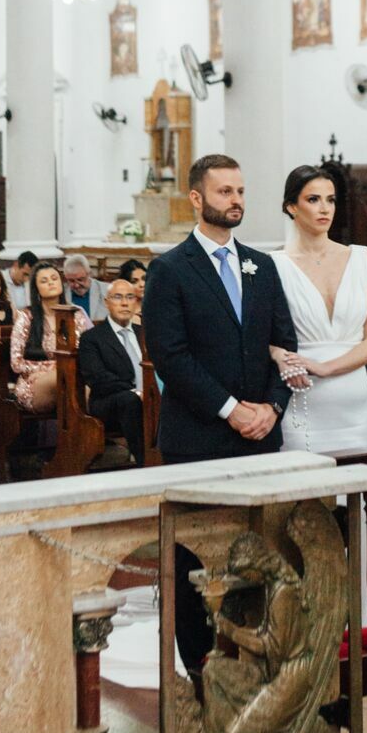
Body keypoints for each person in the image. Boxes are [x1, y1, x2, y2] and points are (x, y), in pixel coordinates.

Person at [142, 153, 298, 675]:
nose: (236, 201)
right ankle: (198, 666)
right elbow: (171, 356)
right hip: (199, 438)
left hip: (261, 436)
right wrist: (232, 410)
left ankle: (254, 654)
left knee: (257, 553)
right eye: (224, 192)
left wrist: (273, 408)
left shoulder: (263, 265)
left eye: (240, 191)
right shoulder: (168, 270)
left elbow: (285, 346)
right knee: (194, 560)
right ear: (196, 198)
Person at [270, 166, 367, 456]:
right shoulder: (273, 264)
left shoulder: (362, 259)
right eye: (313, 200)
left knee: (356, 495)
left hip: (353, 402)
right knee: (304, 494)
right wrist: (280, 358)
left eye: (331, 200)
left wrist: (327, 367)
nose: (325, 209)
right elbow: (262, 334)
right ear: (291, 206)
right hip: (303, 398)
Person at [79, 278, 146, 464]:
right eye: (118, 297)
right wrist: (135, 391)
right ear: (106, 302)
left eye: (130, 297)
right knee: (130, 401)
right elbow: (98, 379)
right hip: (109, 401)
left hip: (149, 397)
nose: (125, 303)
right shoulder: (92, 338)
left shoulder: (145, 332)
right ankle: (145, 462)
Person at [11, 263, 90, 413]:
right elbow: (16, 363)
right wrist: (51, 371)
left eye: (54, 278)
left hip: (70, 378)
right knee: (63, 378)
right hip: (33, 383)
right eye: (44, 281)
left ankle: (83, 430)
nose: (51, 283)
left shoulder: (76, 315)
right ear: (36, 289)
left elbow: (83, 354)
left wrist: (54, 369)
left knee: (79, 384)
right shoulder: (26, 317)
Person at [63, 254, 110, 322]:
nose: (76, 285)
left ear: (89, 274)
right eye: (71, 281)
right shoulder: (62, 292)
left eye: (80, 280)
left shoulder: (107, 290)